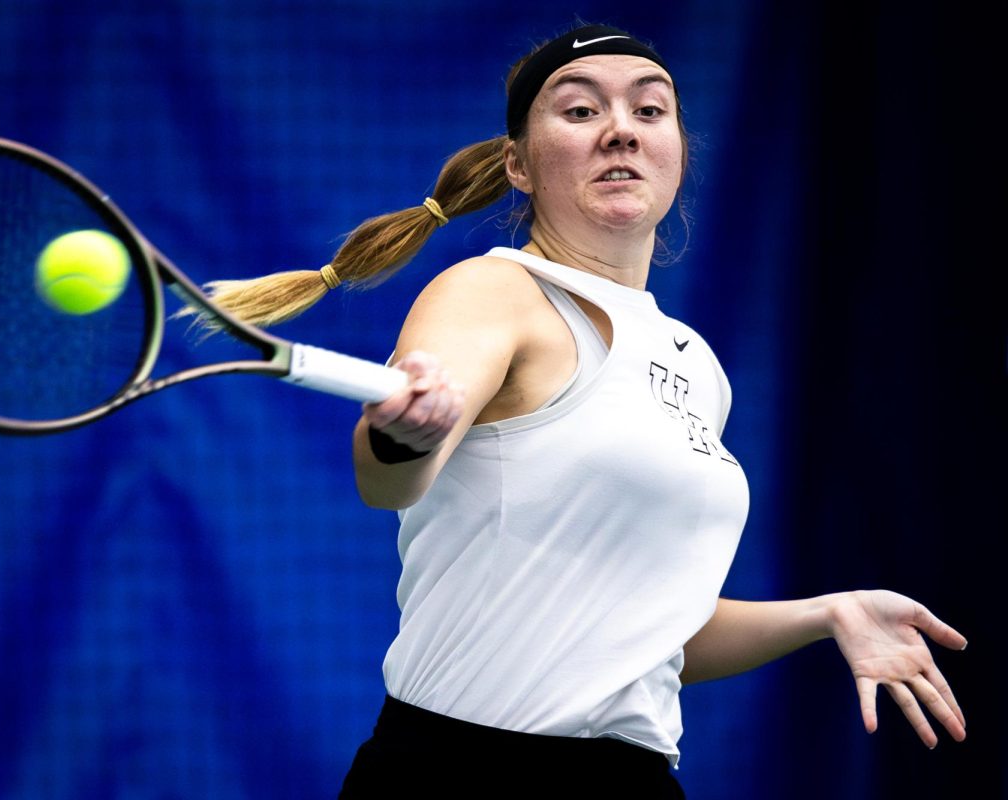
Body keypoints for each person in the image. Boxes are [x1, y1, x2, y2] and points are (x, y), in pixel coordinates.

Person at [199, 22, 968, 798]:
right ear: (519, 166)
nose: (619, 133)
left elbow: (655, 632)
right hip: (460, 773)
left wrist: (826, 614)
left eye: (649, 110)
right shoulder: (492, 293)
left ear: (677, 150)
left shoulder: (693, 362)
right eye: (579, 112)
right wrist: (402, 436)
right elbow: (389, 480)